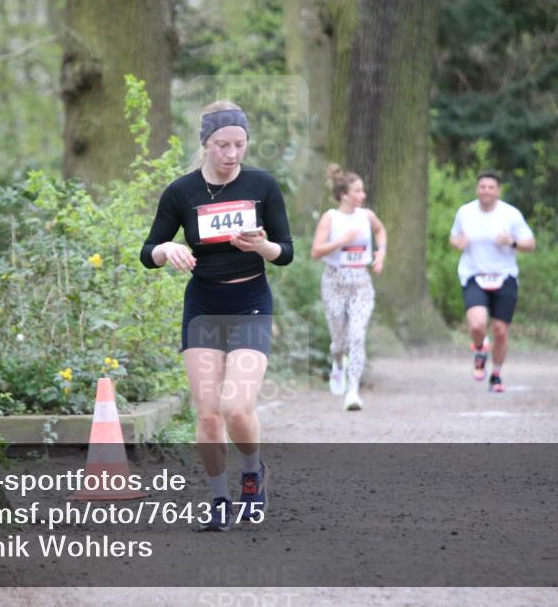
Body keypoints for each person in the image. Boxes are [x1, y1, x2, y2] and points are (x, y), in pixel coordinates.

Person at [140, 101, 293, 532]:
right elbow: (147, 252)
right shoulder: (181, 192)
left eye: (239, 145)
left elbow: (286, 252)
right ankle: (218, 499)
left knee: (237, 407)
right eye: (223, 145)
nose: (232, 154)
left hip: (250, 304)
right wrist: (166, 249)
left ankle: (253, 471)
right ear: (206, 143)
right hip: (203, 307)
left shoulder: (262, 185)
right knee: (208, 415)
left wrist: (260, 247)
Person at [449, 171, 535, 392]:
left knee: (500, 330)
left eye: (491, 187)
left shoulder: (511, 214)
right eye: (482, 187)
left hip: (504, 275)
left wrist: (512, 242)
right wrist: (458, 242)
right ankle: (479, 349)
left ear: (498, 190)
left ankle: (496, 375)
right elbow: (454, 236)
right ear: (477, 189)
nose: (486, 191)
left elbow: (530, 244)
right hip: (473, 274)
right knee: (477, 324)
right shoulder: (465, 212)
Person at [310, 164, 387, 411]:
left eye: (362, 191)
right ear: (344, 195)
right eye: (358, 191)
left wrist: (380, 254)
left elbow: (380, 230)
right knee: (340, 340)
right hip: (334, 281)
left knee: (357, 335)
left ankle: (353, 390)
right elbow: (315, 252)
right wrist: (340, 241)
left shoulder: (367, 216)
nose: (363, 195)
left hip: (360, 283)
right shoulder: (331, 218)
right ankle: (337, 362)